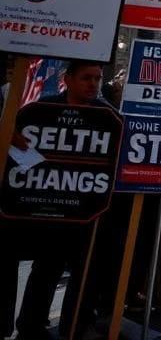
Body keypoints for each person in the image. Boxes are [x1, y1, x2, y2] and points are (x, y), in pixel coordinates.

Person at [1, 60, 113, 340]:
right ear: (68, 79)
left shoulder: (106, 116)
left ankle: (59, 325)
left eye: (97, 79)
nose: (93, 84)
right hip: (34, 204)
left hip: (80, 210)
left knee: (58, 266)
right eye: (87, 78)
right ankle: (21, 326)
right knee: (28, 263)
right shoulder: (39, 111)